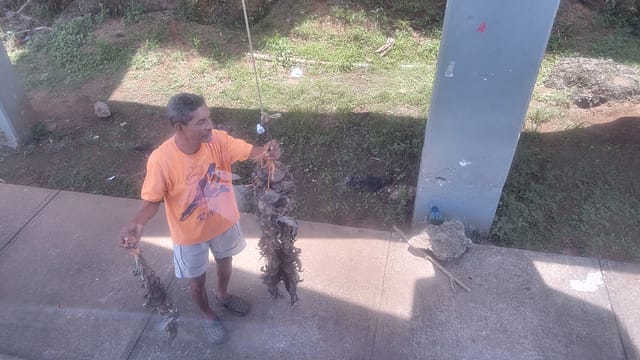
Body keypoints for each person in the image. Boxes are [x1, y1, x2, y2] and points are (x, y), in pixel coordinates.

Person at [119, 93, 281, 344]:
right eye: (201, 122)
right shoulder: (162, 160)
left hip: (223, 223)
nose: (209, 126)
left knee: (225, 262)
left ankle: (223, 295)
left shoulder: (218, 141)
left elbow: (252, 152)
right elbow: (151, 201)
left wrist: (267, 152)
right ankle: (208, 316)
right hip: (189, 236)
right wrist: (137, 223)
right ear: (179, 127)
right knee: (196, 282)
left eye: (209, 118)